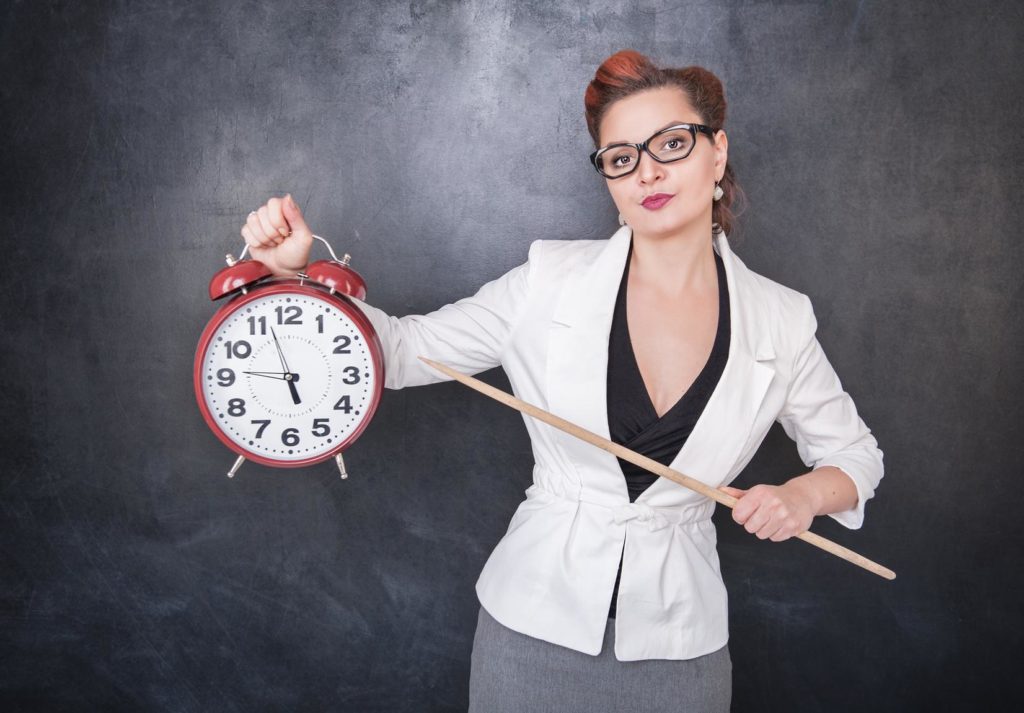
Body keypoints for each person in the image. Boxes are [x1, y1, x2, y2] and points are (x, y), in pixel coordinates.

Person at [238, 50, 884, 712]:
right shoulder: (547, 280)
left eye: (672, 143)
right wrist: (295, 277)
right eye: (621, 157)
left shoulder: (780, 318)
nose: (649, 171)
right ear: (608, 176)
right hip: (531, 635)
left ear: (716, 153)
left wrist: (803, 496)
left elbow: (855, 458)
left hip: (680, 652)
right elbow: (401, 350)